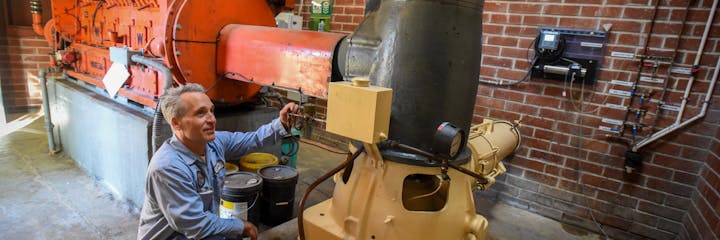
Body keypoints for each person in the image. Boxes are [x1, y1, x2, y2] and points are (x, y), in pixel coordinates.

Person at [137, 83, 298, 240]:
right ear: (176, 123)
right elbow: (195, 224)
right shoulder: (168, 167)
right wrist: (239, 226)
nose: (212, 119)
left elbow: (252, 140)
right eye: (201, 113)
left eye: (211, 111)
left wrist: (281, 124)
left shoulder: (213, 144)